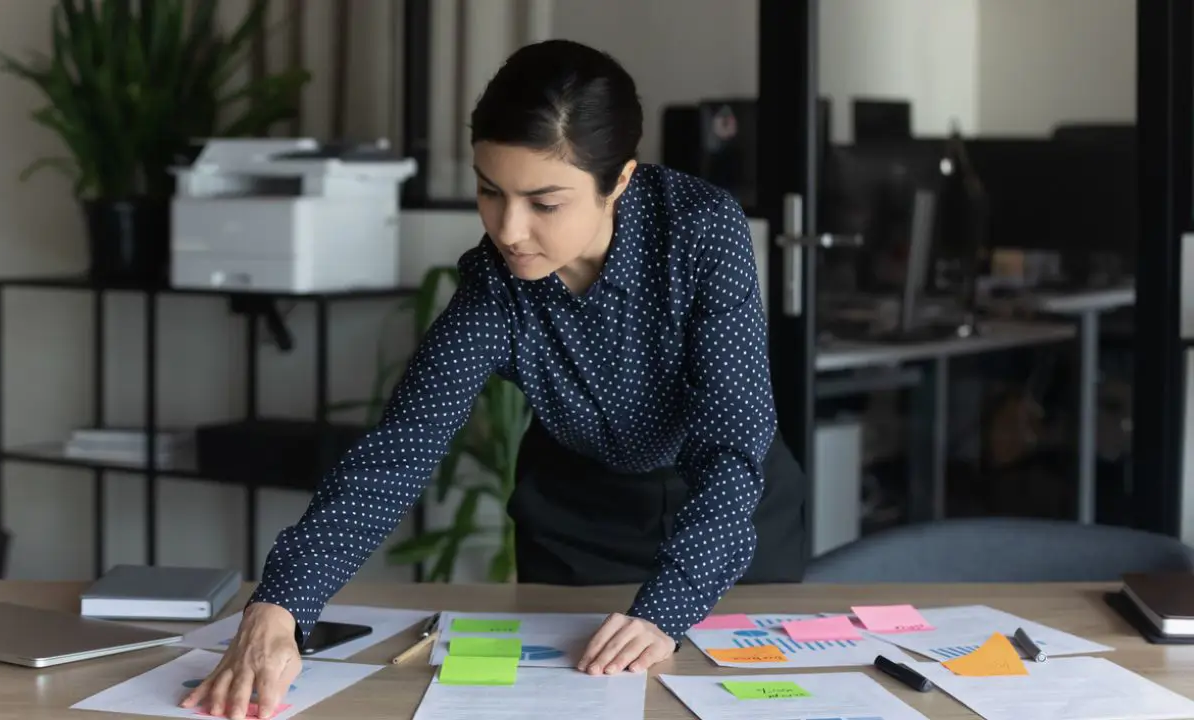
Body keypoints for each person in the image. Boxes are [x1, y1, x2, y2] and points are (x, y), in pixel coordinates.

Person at [181, 38, 806, 719]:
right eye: (490, 191)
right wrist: (280, 604)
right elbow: (399, 452)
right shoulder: (495, 287)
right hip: (577, 523)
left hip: (728, 510)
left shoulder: (699, 230)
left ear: (620, 180)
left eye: (545, 202)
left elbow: (732, 438)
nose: (509, 230)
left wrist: (669, 607)